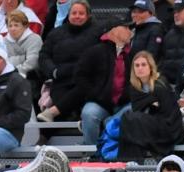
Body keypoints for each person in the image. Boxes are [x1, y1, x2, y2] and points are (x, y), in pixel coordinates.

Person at [37, 17, 133, 148]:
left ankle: (111, 130)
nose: (130, 31)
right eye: (126, 27)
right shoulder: (95, 51)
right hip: (100, 103)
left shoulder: (133, 53)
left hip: (124, 103)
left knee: (134, 108)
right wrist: (94, 95)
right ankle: (91, 150)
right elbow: (80, 76)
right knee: (89, 113)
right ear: (114, 30)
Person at [38, 0, 103, 117]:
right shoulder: (55, 33)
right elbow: (44, 56)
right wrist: (53, 71)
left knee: (81, 89)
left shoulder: (98, 32)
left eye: (81, 13)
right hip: (61, 78)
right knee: (59, 97)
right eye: (74, 13)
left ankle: (51, 119)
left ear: (88, 15)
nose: (77, 16)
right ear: (68, 15)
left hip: (86, 78)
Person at [112, 50, 182, 159]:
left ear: (150, 67)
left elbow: (169, 114)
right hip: (146, 125)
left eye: (143, 65)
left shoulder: (160, 85)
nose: (140, 68)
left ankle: (130, 162)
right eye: (137, 65)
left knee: (130, 118)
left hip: (167, 128)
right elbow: (138, 107)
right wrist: (151, 102)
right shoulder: (135, 89)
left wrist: (149, 104)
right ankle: (131, 164)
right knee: (129, 120)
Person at [5, 9, 42, 92]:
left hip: (32, 78)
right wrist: (23, 57)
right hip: (7, 77)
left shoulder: (35, 39)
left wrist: (15, 69)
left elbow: (32, 63)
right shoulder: (4, 41)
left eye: (16, 25)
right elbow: (3, 62)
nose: (13, 28)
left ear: (25, 26)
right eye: (10, 26)